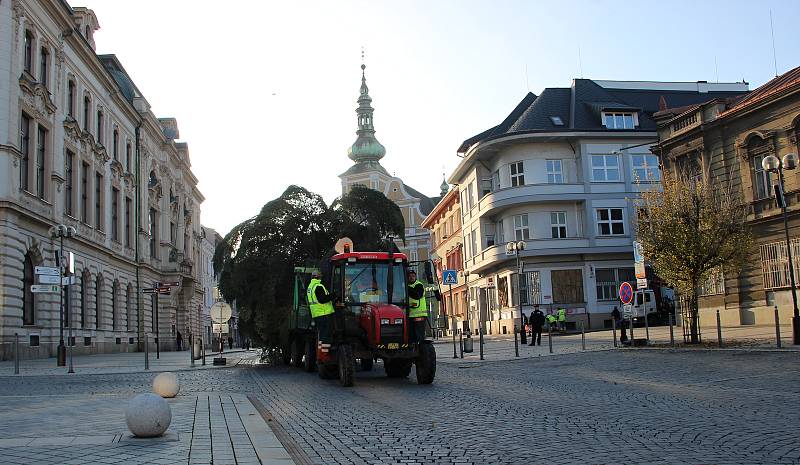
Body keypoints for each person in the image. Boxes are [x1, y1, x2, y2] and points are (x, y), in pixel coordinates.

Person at [307, 270, 335, 347]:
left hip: (316, 314)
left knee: (322, 336)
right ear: (319, 277)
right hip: (324, 314)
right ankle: (325, 354)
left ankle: (321, 353)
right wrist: (334, 295)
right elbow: (322, 300)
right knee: (326, 336)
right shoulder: (318, 286)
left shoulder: (310, 287)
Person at [407, 270, 428, 343]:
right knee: (411, 336)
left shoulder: (419, 285)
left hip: (419, 314)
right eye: (409, 276)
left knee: (419, 336)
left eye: (413, 276)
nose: (411, 277)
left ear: (415, 277)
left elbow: (417, 295)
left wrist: (406, 288)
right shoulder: (405, 286)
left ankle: (420, 350)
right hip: (408, 315)